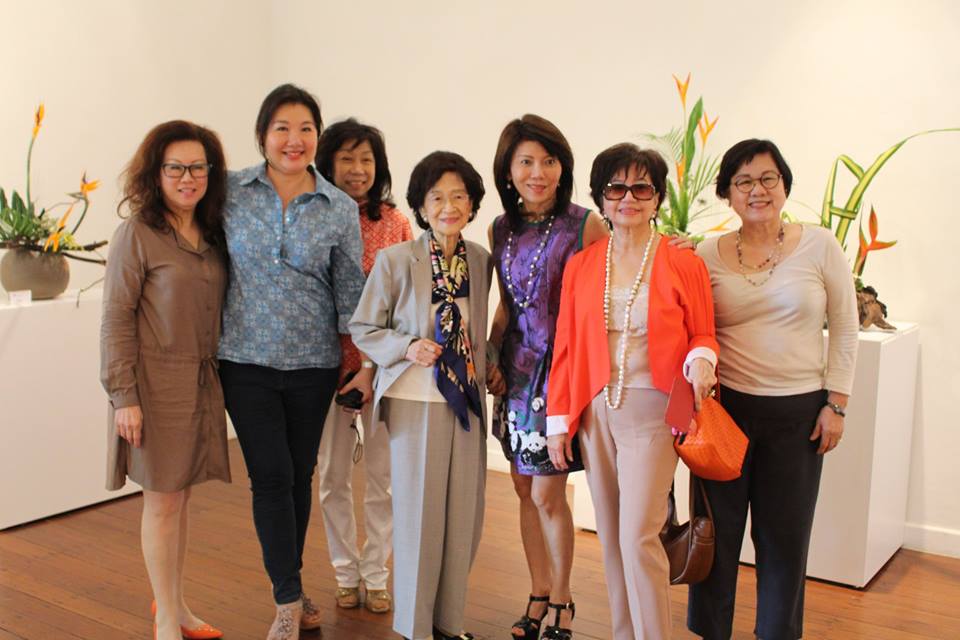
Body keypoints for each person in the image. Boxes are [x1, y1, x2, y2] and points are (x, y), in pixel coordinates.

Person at [687, 139, 859, 640]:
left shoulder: (820, 245)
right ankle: (711, 632)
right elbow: (693, 325)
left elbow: (845, 326)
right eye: (743, 181)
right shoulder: (706, 254)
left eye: (768, 178)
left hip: (798, 415)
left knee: (784, 540)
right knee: (716, 536)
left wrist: (836, 403)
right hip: (725, 412)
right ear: (727, 193)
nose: (757, 190)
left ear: (784, 185)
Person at [545, 143, 718, 639]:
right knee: (611, 534)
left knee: (639, 534)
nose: (628, 198)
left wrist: (701, 361)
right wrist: (559, 420)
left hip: (656, 409)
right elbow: (566, 346)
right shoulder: (583, 265)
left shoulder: (682, 261)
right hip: (596, 410)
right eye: (616, 188)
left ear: (657, 197)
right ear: (601, 197)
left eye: (642, 188)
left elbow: (704, 334)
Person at [217, 84, 365, 640]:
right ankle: (286, 598)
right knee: (270, 475)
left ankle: (294, 586)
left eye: (305, 129)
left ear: (317, 138)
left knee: (299, 475)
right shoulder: (230, 193)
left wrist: (363, 364)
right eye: (282, 128)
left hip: (312, 364)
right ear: (262, 135)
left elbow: (350, 295)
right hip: (243, 359)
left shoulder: (338, 207)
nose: (294, 139)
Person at [350, 151, 492, 640]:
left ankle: (449, 623)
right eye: (437, 198)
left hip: (466, 402)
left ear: (471, 204)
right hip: (415, 401)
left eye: (459, 196)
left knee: (462, 518)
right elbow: (364, 327)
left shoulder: (480, 260)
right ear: (421, 206)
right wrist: (408, 346)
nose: (448, 207)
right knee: (418, 518)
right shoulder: (395, 260)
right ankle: (414, 627)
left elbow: (479, 329)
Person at [101, 120, 230, 640]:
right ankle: (164, 622)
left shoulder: (213, 233)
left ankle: (175, 605)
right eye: (175, 167)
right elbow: (115, 318)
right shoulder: (136, 234)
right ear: (155, 173)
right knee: (162, 501)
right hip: (153, 387)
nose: (187, 177)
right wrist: (123, 397)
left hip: (201, 383)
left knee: (181, 498)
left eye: (198, 167)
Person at [488, 114, 608, 640]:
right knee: (522, 487)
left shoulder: (586, 225)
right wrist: (491, 354)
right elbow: (507, 304)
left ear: (563, 167)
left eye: (549, 161)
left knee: (547, 495)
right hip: (513, 374)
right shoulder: (500, 228)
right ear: (508, 170)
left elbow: (603, 304)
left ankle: (562, 598)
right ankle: (537, 592)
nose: (538, 172)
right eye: (526, 162)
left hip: (558, 376)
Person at [314, 118, 413, 614]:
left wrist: (371, 367)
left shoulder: (395, 223)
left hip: (381, 371)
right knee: (332, 476)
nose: (357, 169)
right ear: (328, 163)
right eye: (347, 158)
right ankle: (344, 571)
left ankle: (376, 574)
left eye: (367, 159)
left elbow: (405, 303)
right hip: (324, 369)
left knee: (382, 477)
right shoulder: (313, 217)